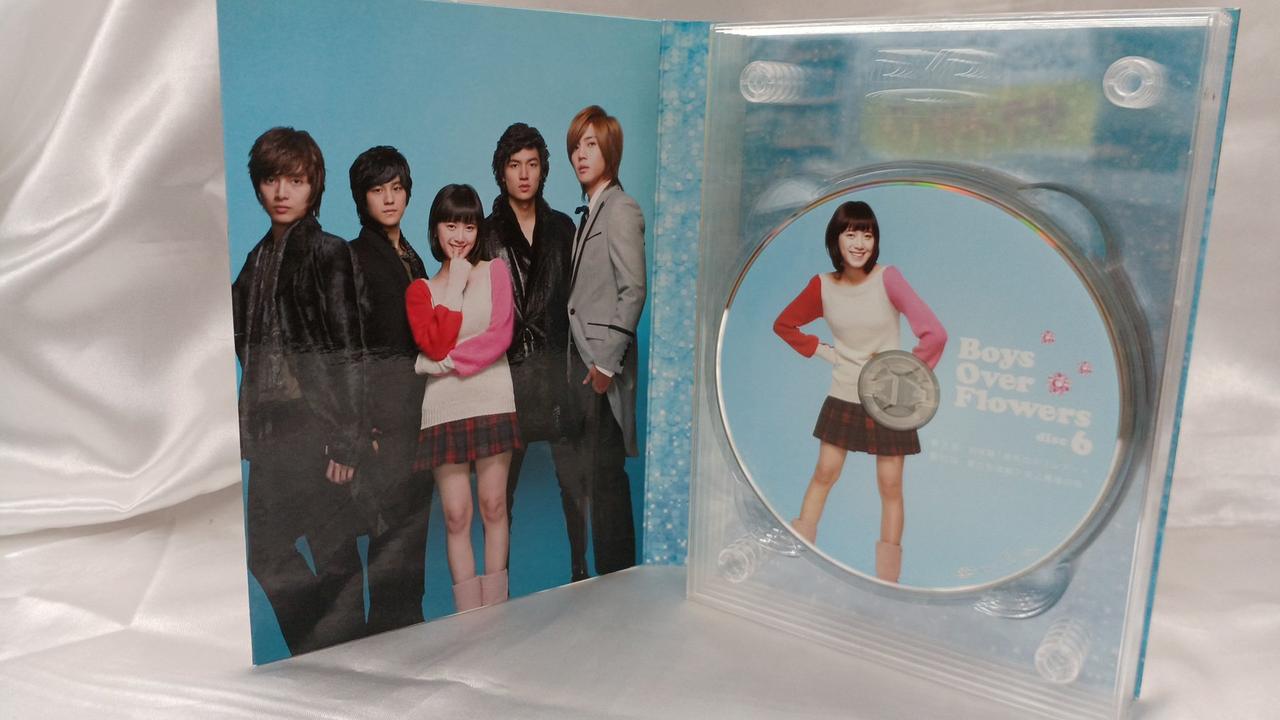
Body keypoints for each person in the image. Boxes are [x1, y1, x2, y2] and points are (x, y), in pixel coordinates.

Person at [231, 127, 368, 655]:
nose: (282, 192)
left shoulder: (328, 253)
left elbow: (350, 349)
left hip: (317, 425)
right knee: (265, 552)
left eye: (295, 180)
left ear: (314, 187)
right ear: (258, 186)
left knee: (334, 551)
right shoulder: (254, 261)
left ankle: (352, 666)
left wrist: (347, 440)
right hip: (271, 431)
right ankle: (322, 655)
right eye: (272, 180)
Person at [772, 200, 947, 583]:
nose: (859, 243)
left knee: (890, 486)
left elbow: (935, 334)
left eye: (867, 235)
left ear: (875, 240)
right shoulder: (822, 286)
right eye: (851, 234)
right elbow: (784, 325)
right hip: (843, 393)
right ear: (836, 239)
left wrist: (902, 374)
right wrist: (824, 352)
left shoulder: (888, 278)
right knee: (825, 473)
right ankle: (795, 562)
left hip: (890, 402)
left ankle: (888, 582)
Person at [481, 123, 587, 581]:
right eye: (514, 165)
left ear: (543, 170)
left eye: (532, 164)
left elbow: (580, 301)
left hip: (557, 373)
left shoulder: (563, 227)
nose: (524, 174)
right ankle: (497, 583)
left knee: (574, 483)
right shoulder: (485, 233)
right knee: (499, 495)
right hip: (506, 378)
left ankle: (581, 571)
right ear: (501, 172)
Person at [406, 184, 518, 611]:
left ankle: (497, 615)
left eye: (468, 226)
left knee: (494, 506)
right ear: (435, 229)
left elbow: (500, 336)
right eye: (450, 225)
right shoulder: (421, 290)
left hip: (492, 399)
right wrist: (453, 282)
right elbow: (434, 343)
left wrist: (442, 364)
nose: (459, 235)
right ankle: (469, 625)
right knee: (456, 516)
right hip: (443, 410)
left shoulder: (495, 272)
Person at [347, 146, 433, 632]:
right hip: (384, 419)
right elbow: (351, 347)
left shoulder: (412, 256)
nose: (389, 198)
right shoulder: (355, 257)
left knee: (414, 530)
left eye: (397, 188)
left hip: (420, 413)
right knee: (387, 534)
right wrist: (366, 424)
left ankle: (410, 628)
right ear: (362, 198)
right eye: (378, 190)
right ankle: (384, 636)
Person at [562, 105, 646, 576]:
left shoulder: (620, 208)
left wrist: (606, 366)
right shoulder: (592, 211)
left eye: (591, 145)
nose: (581, 154)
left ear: (610, 151)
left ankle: (620, 584)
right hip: (583, 364)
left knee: (607, 480)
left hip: (601, 367)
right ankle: (609, 583)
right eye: (576, 146)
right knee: (593, 478)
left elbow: (633, 289)